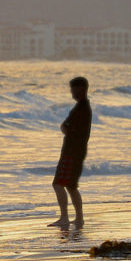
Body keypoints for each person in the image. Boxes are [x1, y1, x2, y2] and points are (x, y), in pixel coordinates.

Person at [48, 76, 91, 228]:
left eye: (74, 88)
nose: (72, 92)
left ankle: (64, 218)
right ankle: (79, 219)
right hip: (76, 151)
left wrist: (65, 128)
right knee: (71, 186)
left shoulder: (81, 108)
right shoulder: (82, 107)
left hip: (72, 152)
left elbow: (70, 129)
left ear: (82, 89)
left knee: (58, 184)